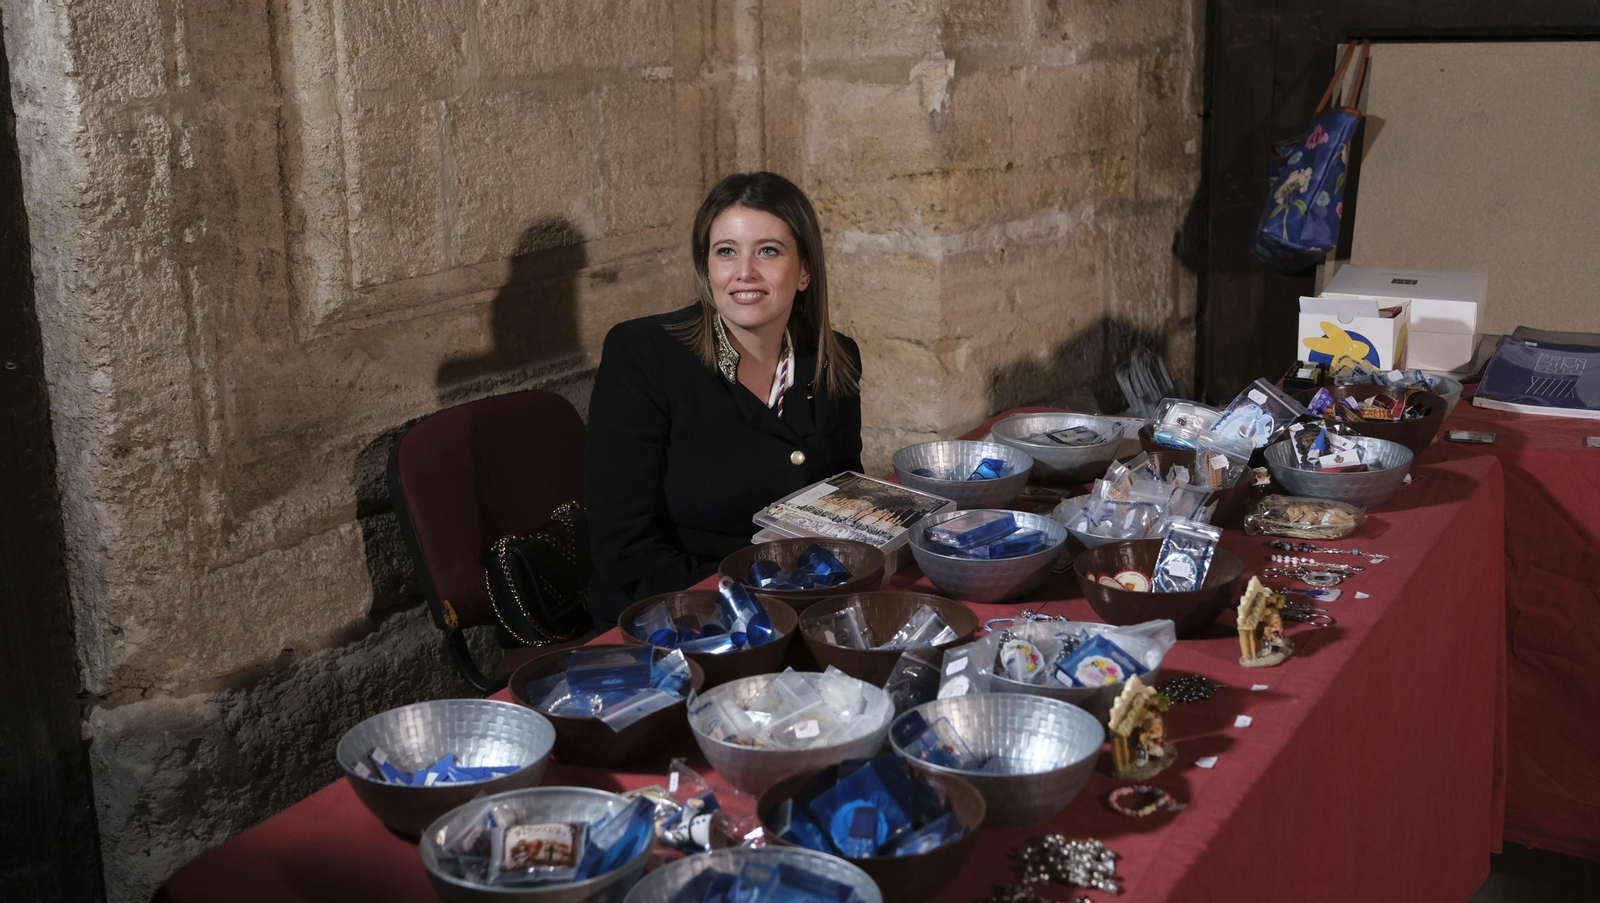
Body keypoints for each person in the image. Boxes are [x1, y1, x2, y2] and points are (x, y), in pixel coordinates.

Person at [584, 172, 863, 623]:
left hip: (800, 602)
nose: (744, 272)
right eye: (726, 252)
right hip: (678, 612)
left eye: (768, 251)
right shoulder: (643, 355)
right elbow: (623, 548)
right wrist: (751, 606)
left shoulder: (835, 357)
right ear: (707, 268)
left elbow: (841, 502)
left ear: (805, 270)